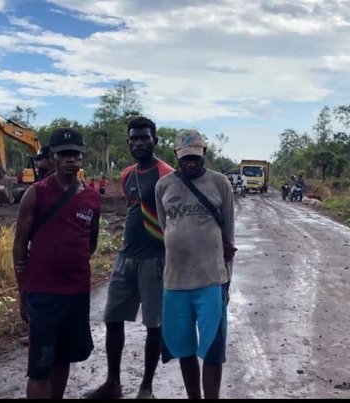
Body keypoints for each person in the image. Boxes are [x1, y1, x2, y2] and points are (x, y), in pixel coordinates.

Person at [83, 116, 174, 400]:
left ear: (155, 141)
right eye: (133, 138)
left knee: (154, 324)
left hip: (155, 259)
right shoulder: (127, 175)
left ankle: (146, 387)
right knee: (112, 318)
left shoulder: (166, 175)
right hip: (126, 257)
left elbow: (172, 219)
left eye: (144, 138)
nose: (138, 143)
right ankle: (113, 383)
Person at [13, 127, 101, 399]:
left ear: (82, 157)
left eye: (75, 154)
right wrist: (23, 291)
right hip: (43, 294)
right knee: (40, 366)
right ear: (51, 157)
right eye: (63, 155)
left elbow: (91, 243)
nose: (70, 160)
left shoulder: (91, 197)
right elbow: (19, 246)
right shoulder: (36, 194)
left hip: (76, 292)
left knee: (63, 358)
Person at [154, 129, 237, 399]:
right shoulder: (164, 186)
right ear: (177, 156)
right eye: (185, 158)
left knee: (213, 350)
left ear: (205, 154)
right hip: (175, 283)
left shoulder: (220, 183)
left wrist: (227, 280)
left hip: (211, 281)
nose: (191, 162)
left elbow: (229, 237)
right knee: (185, 349)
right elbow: (165, 227)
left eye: (196, 157)